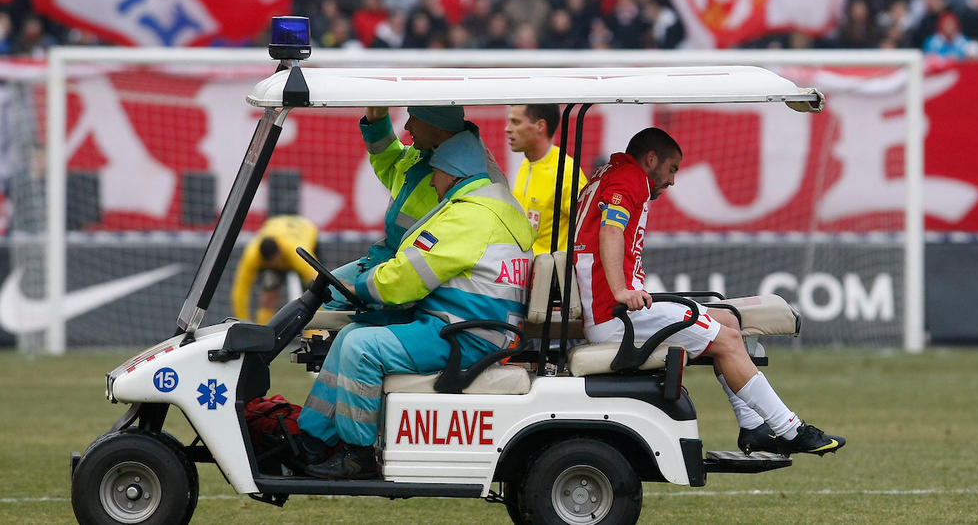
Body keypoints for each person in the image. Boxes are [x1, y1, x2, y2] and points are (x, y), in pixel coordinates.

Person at [573, 127, 846, 457]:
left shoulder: (613, 172)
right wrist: (620, 289)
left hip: (615, 309)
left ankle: (752, 429)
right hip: (616, 315)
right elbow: (612, 230)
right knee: (728, 340)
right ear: (651, 159)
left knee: (729, 323)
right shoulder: (629, 178)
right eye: (672, 169)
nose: (672, 181)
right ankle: (790, 429)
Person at [297, 131, 535, 479]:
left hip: (465, 335)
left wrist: (361, 285)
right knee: (352, 335)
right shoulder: (495, 207)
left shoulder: (469, 217)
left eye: (436, 172)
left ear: (455, 174)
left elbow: (409, 276)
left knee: (362, 348)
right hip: (471, 326)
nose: (434, 181)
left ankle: (357, 456)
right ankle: (312, 441)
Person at [322, 104, 505, 310]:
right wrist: (376, 122)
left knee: (328, 306)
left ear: (435, 125)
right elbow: (392, 164)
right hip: (395, 266)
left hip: (418, 282)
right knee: (320, 295)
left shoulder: (477, 177)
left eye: (413, 118)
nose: (407, 126)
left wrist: (373, 288)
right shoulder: (430, 153)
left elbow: (437, 264)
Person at [505, 103, 587, 255]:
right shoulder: (525, 166)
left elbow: (589, 228)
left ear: (540, 126)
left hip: (552, 275)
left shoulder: (566, 172)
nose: (508, 128)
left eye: (516, 122)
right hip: (527, 272)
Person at [231, 215, 319, 324]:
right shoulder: (252, 256)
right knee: (269, 295)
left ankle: (315, 330)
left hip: (305, 229)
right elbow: (240, 290)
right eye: (271, 263)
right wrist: (242, 321)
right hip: (275, 227)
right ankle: (263, 331)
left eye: (276, 261)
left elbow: (318, 282)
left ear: (280, 251)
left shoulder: (297, 252)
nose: (275, 265)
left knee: (311, 293)